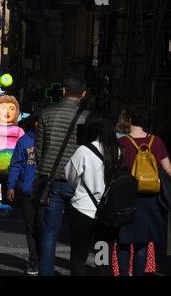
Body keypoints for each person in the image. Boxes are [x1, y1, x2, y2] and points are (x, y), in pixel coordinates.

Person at [36, 75, 89, 276]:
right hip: (79, 181)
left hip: (51, 179)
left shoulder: (46, 114)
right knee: (79, 231)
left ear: (64, 91)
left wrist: (41, 173)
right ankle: (77, 270)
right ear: (83, 94)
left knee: (50, 231)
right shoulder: (86, 117)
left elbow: (39, 148)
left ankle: (45, 272)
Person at [117, 104, 171, 276]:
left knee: (123, 240)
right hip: (151, 198)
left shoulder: (122, 142)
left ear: (130, 119)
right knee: (142, 242)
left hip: (126, 197)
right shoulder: (157, 141)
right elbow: (168, 169)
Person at [65, 111, 119, 276]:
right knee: (102, 258)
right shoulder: (117, 151)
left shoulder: (83, 150)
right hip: (107, 213)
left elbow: (70, 177)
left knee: (78, 256)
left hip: (83, 210)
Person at [7, 114, 44, 275]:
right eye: (38, 121)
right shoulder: (24, 141)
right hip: (28, 192)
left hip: (46, 192)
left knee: (43, 227)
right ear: (34, 122)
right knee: (31, 228)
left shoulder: (51, 139)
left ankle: (45, 260)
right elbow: (15, 165)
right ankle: (34, 261)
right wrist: (11, 186)